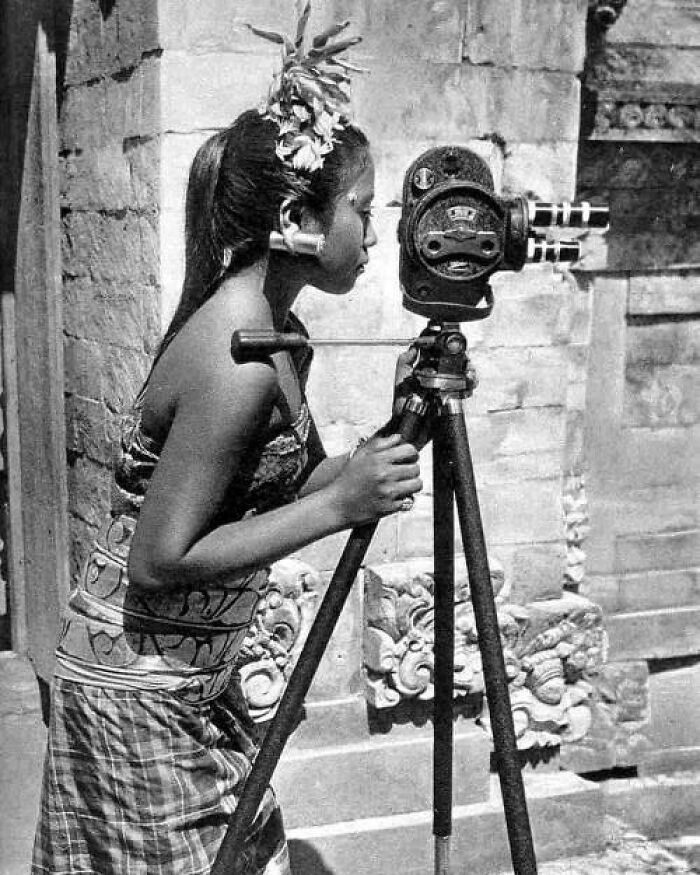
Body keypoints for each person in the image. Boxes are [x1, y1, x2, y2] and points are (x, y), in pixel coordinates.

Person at [32, 11, 422, 875]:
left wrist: (396, 433)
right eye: (363, 209)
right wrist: (338, 506)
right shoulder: (234, 354)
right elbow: (159, 558)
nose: (376, 231)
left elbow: (290, 483)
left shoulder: (280, 339)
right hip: (137, 691)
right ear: (297, 218)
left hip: (189, 681)